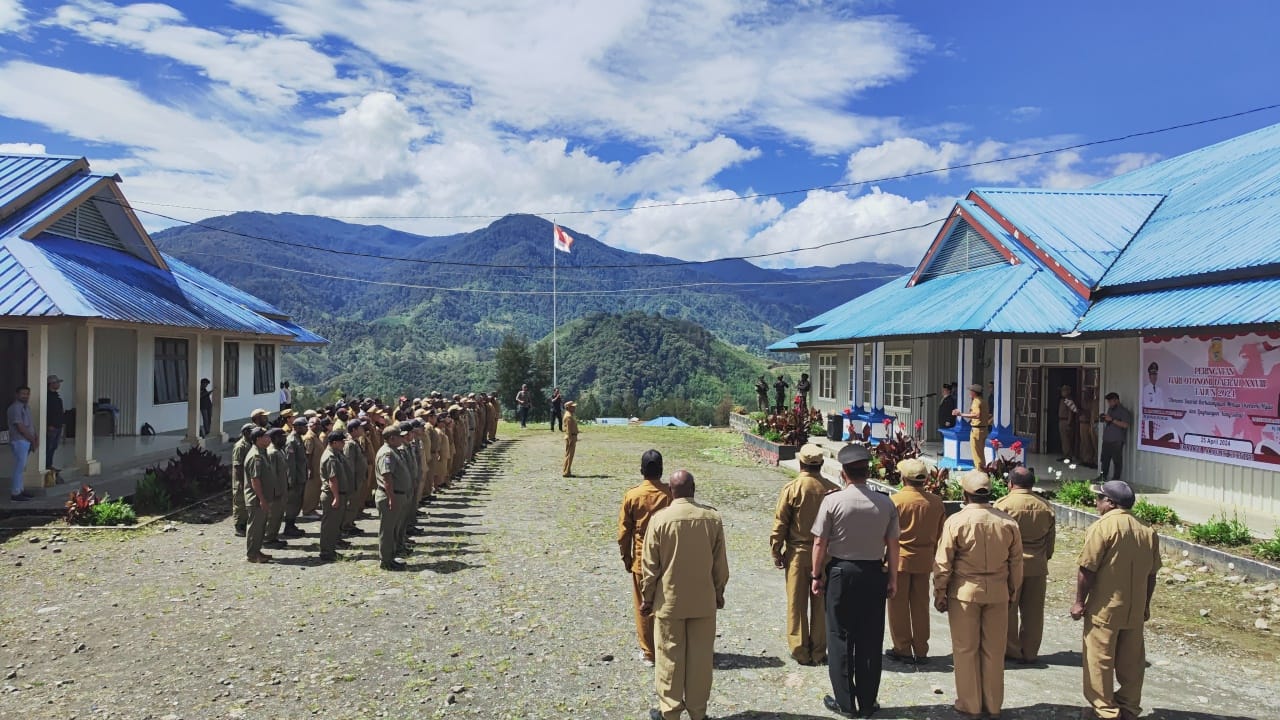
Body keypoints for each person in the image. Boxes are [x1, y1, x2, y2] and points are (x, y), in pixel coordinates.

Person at [810, 443, 900, 719]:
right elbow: (894, 545)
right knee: (870, 638)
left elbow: (819, 543)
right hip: (874, 572)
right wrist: (893, 578)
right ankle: (868, 701)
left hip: (841, 572)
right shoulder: (886, 503)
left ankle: (846, 702)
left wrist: (816, 575)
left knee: (839, 637)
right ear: (866, 471)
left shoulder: (833, 501)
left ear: (843, 472)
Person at [933, 470, 1023, 720]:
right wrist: (1013, 591)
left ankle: (969, 704)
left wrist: (940, 591)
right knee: (994, 651)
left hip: (964, 593)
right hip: (997, 592)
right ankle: (993, 705)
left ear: (965, 494)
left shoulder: (956, 521)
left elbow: (943, 562)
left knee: (965, 650)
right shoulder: (1007, 522)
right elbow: (1016, 563)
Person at [640, 469, 729, 720]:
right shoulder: (711, 518)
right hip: (703, 602)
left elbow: (650, 566)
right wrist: (718, 592)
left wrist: (647, 598)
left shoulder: (659, 520)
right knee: (700, 661)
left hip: (669, 603)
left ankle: (670, 712)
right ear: (694, 488)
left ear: (671, 490)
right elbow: (719, 564)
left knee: (669, 658)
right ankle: (698, 713)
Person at [1072, 480, 1160, 720]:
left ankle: (1106, 711)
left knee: (1099, 659)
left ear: (1111, 503)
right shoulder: (1147, 530)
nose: (1096, 502)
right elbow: (1152, 574)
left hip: (1105, 608)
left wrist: (1079, 602)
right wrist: (1145, 605)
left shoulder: (1103, 528)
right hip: (1134, 609)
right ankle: (1129, 708)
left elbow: (1087, 569)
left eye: (1099, 498)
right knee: (1132, 662)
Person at [770, 443, 839, 666]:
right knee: (821, 603)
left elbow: (781, 523)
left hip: (798, 552)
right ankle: (819, 651)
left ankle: (800, 649)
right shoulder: (832, 489)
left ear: (800, 463)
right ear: (821, 464)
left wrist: (776, 550)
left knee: (796, 603)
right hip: (825, 553)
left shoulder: (792, 488)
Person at [886, 458, 945, 666]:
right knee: (921, 606)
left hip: (899, 559)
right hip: (925, 559)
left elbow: (887, 534)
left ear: (903, 478)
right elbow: (940, 534)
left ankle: (902, 647)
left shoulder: (895, 501)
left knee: (897, 605)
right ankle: (921, 648)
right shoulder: (936, 502)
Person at [994, 466, 1055, 664]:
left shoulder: (1003, 505)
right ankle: (1030, 652)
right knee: (1034, 612)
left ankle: (1011, 650)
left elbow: (998, 539)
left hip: (1010, 565)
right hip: (1037, 565)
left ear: (1010, 484)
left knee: (1009, 608)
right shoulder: (1045, 506)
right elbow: (1050, 544)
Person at [618, 449, 672, 667]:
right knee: (667, 606)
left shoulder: (632, 496)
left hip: (642, 560)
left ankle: (649, 652)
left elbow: (624, 533)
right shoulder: (670, 494)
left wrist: (627, 558)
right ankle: (668, 647)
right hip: (668, 560)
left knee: (643, 605)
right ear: (661, 470)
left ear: (641, 470)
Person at [375, 425, 412, 571]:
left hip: (397, 493)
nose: (402, 439)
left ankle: (391, 556)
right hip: (390, 494)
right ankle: (386, 560)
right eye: (399, 436)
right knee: (388, 530)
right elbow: (387, 477)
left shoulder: (393, 451)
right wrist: (391, 498)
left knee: (393, 528)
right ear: (391, 438)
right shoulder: (387, 454)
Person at [243, 427, 282, 563]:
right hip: (257, 499)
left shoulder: (262, 452)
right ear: (258, 439)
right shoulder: (256, 456)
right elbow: (255, 480)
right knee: (255, 527)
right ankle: (252, 554)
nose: (269, 438)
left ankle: (257, 550)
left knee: (261, 526)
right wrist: (262, 499)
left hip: (264, 497)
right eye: (266, 436)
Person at [317, 430, 349, 562]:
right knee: (329, 525)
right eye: (342, 441)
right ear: (334, 442)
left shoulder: (335, 454)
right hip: (331, 495)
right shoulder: (330, 457)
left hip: (335, 494)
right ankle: (326, 552)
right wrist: (336, 497)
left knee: (334, 525)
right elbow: (332, 479)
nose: (343, 444)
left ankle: (330, 550)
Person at [6, 385, 36, 502]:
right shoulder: (15, 408)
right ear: (17, 395)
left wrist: (35, 437)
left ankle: (21, 489)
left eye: (27, 393)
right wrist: (32, 439)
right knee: (19, 467)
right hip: (19, 440)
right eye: (23, 393)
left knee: (22, 467)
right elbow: (20, 426)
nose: (25, 396)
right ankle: (15, 492)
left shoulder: (26, 407)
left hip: (27, 440)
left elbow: (30, 425)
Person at [282, 416, 309, 538]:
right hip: (295, 479)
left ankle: (292, 525)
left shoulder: (298, 439)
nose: (306, 428)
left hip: (301, 477)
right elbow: (290, 463)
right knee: (292, 504)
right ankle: (289, 527)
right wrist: (291, 480)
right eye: (304, 426)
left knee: (297, 503)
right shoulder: (292, 441)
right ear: (296, 427)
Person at [953, 383, 989, 468]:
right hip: (984, 429)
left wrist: (960, 414)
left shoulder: (976, 401)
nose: (970, 393)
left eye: (971, 391)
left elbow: (977, 415)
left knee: (976, 453)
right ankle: (982, 470)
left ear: (974, 392)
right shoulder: (984, 401)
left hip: (977, 430)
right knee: (980, 452)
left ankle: (979, 471)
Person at [1099, 393, 1132, 481]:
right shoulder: (1110, 410)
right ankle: (1102, 477)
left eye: (1111, 402)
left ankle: (1116, 479)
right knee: (1104, 460)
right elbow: (1110, 422)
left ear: (1117, 400)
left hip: (1117, 440)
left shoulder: (1124, 411)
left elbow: (1125, 425)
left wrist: (1112, 420)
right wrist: (1105, 419)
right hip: (1107, 439)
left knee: (1117, 461)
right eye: (1108, 402)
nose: (1109, 404)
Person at [229, 423, 254, 536]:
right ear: (245, 432)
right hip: (241, 480)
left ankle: (245, 525)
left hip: (248, 479)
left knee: (247, 503)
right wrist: (241, 482)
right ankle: (239, 527)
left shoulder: (251, 443)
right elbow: (237, 466)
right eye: (251, 432)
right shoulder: (240, 446)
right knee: (240, 504)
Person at [45, 374, 65, 471]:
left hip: (58, 425)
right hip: (52, 426)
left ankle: (50, 464)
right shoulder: (48, 397)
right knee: (49, 447)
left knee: (53, 447)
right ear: (51, 384)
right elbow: (48, 412)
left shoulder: (56, 397)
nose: (58, 385)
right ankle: (47, 465)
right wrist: (50, 424)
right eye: (57, 382)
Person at [1059, 384, 1080, 462]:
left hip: (1066, 421)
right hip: (1061, 420)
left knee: (1067, 440)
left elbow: (1071, 411)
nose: (1062, 392)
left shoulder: (1068, 400)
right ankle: (1065, 455)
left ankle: (1068, 456)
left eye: (1064, 390)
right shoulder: (1063, 399)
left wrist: (1069, 422)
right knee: (1064, 440)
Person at [562, 400, 578, 477]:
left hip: (571, 436)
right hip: (571, 437)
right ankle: (567, 472)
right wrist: (571, 439)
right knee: (569, 455)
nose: (574, 408)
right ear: (568, 407)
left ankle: (566, 470)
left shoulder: (569, 415)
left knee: (568, 455)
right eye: (573, 407)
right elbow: (568, 429)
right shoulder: (568, 416)